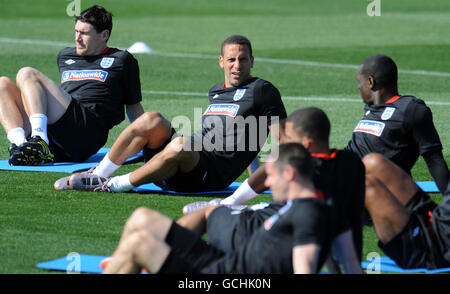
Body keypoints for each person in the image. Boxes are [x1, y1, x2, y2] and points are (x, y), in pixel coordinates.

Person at [59, 35, 287, 193]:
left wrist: (258, 185)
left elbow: (281, 140)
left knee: (180, 145)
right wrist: (252, 171)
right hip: (185, 161)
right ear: (221, 62)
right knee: (151, 119)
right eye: (231, 59)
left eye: (243, 59)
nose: (237, 65)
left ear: (252, 61)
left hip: (207, 174)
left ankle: (113, 185)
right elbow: (242, 135)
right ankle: (99, 174)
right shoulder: (216, 91)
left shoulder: (262, 90)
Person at [103, 143, 359, 274]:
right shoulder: (324, 207)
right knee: (142, 217)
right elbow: (350, 263)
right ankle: (121, 263)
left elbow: (306, 267)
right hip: (222, 264)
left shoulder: (307, 213)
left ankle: (123, 262)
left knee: (139, 243)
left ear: (290, 173)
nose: (267, 182)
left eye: (271, 175)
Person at [180, 107, 366, 264]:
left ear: (306, 144)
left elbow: (284, 208)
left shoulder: (301, 169)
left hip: (269, 235)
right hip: (331, 244)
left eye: (289, 138)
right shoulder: (352, 163)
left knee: (207, 214)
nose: (283, 144)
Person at [0, 5, 144, 166]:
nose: (77, 38)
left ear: (104, 35)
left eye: (84, 33)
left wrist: (146, 141)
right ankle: (22, 146)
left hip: (87, 132)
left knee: (27, 73)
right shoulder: (65, 56)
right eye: (76, 31)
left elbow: (133, 106)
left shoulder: (122, 60)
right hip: (58, 139)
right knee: (2, 84)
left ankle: (38, 139)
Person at [346, 54, 449, 194]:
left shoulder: (411, 109)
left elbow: (434, 159)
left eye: (360, 82)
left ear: (370, 82)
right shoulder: (371, 109)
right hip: (348, 183)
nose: (358, 87)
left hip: (381, 195)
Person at [364, 152, 450, 269]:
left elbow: (433, 157)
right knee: (372, 162)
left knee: (367, 187)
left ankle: (342, 247)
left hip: (435, 249)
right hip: (436, 219)